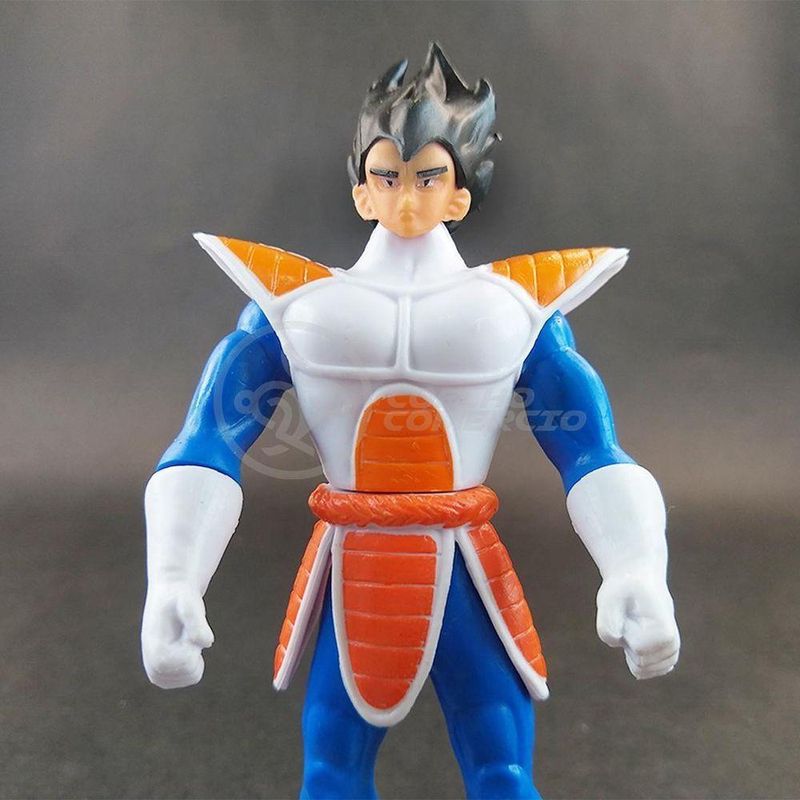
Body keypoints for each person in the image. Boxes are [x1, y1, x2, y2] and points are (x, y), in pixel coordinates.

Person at [141, 43, 680, 799]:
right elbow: (208, 444)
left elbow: (591, 449)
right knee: (332, 772)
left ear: (460, 194)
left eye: (428, 177)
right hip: (355, 567)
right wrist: (173, 577)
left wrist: (635, 567)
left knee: (501, 769)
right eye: (386, 175)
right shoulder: (296, 309)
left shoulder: (514, 312)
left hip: (464, 569)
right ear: (361, 189)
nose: (405, 198)